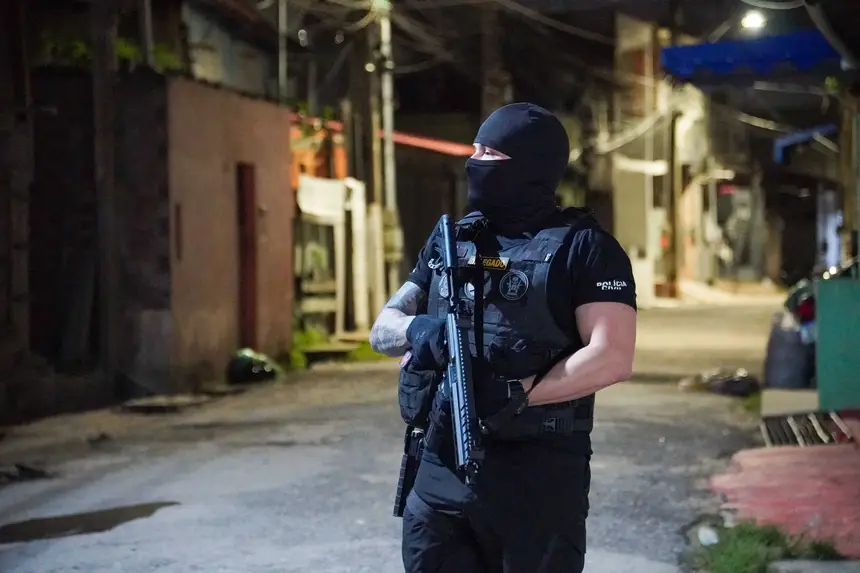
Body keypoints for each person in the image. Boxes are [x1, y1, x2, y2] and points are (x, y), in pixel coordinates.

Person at [369, 102, 637, 573]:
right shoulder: (453, 241)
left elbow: (611, 355)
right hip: (440, 467)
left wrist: (518, 394)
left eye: (489, 153)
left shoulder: (586, 249)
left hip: (536, 478)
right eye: (474, 150)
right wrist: (417, 330)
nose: (474, 162)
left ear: (531, 165)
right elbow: (382, 328)